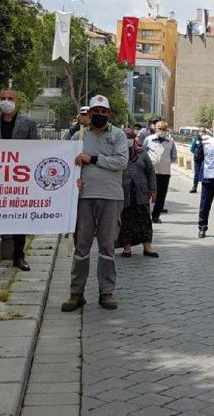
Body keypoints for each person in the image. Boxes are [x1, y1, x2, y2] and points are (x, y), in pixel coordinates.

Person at [62, 95, 129, 312]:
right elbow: (66, 162)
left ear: (109, 114)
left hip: (111, 197)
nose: (99, 115)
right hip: (84, 198)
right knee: (81, 247)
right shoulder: (79, 137)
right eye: (95, 111)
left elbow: (121, 162)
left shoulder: (118, 135)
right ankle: (76, 293)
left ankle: (106, 292)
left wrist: (92, 159)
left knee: (107, 247)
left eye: (103, 111)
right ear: (89, 113)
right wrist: (75, 177)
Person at [0, 89, 39, 271]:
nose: (6, 101)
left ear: (17, 101)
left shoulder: (28, 123)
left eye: (10, 99)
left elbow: (37, 149)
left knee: (18, 219)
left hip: (18, 181)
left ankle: (19, 257)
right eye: (3, 98)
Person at [117, 128, 158, 259]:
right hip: (124, 193)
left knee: (144, 220)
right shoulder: (117, 152)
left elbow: (151, 172)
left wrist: (153, 190)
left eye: (131, 137)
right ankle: (126, 248)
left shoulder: (142, 153)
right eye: (126, 137)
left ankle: (147, 248)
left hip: (141, 193)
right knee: (126, 220)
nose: (129, 139)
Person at [143, 120, 177, 223]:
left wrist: (164, 162)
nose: (162, 131)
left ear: (167, 130)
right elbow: (143, 153)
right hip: (150, 172)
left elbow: (173, 156)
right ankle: (144, 216)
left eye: (164, 129)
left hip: (164, 173)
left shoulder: (170, 141)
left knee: (161, 196)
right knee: (146, 194)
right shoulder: (149, 139)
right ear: (155, 129)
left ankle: (155, 216)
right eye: (160, 128)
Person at [189, 128, 206, 193]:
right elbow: (192, 149)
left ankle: (204, 188)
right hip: (197, 159)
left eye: (203, 132)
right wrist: (196, 153)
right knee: (197, 173)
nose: (202, 133)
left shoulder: (208, 139)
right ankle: (194, 187)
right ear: (199, 132)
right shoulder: (196, 139)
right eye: (201, 131)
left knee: (204, 174)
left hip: (205, 159)